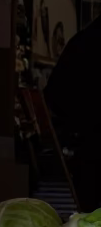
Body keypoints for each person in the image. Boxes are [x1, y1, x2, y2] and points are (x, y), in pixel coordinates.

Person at [43, 14, 101, 212]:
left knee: (91, 220)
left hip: (88, 148)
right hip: (90, 144)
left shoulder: (81, 42)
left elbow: (53, 98)